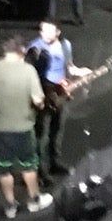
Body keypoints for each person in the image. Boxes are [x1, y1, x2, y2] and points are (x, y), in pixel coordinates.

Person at [0, 36, 54, 218]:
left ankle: (10, 205)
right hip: (21, 128)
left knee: (4, 168)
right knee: (29, 166)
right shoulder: (27, 70)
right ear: (21, 51)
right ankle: (34, 200)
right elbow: (38, 101)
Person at [25, 19, 91, 179]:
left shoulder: (65, 46)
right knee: (39, 135)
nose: (44, 34)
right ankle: (40, 171)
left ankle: (53, 163)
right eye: (42, 31)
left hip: (59, 95)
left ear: (58, 32)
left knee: (56, 131)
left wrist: (81, 72)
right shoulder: (34, 48)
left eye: (49, 31)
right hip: (41, 95)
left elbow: (69, 67)